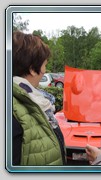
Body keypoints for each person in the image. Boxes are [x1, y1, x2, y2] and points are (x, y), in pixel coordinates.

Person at [12, 31, 66, 165]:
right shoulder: (12, 114)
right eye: (44, 65)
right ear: (32, 69)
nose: (45, 71)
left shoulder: (34, 101)